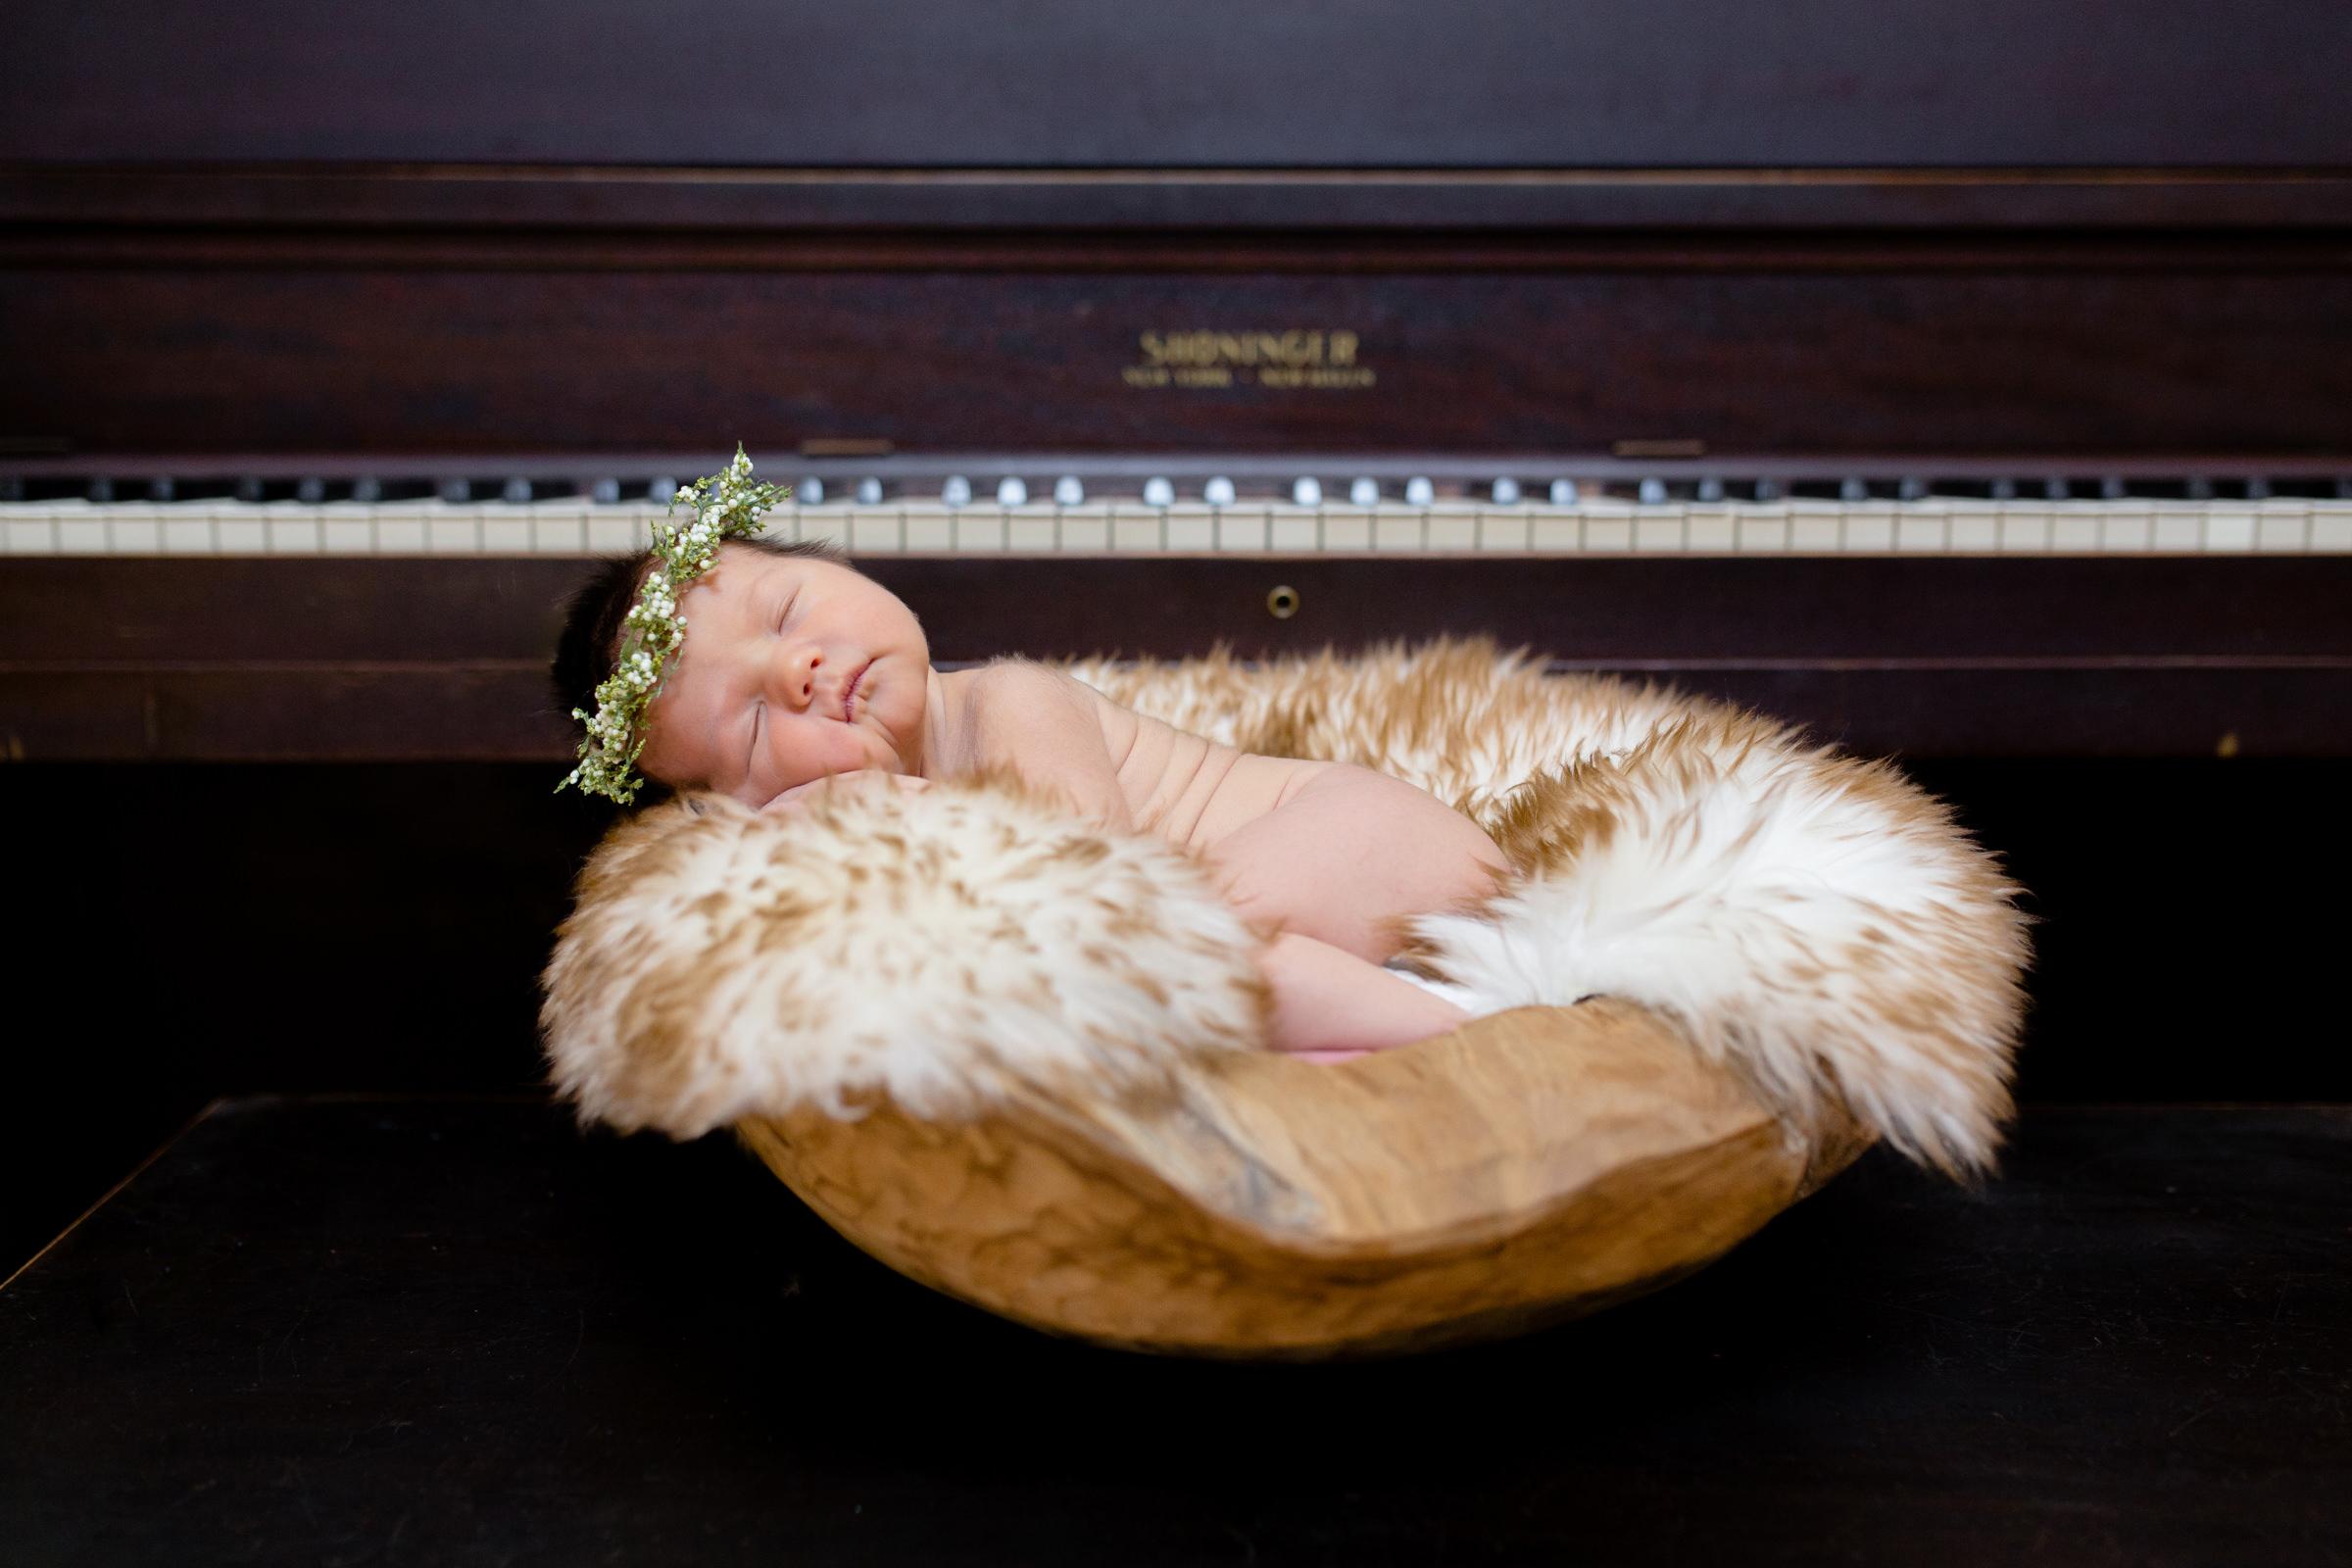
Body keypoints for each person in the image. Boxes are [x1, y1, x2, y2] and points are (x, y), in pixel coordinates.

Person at [555, 533, 1508, 1059]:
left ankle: (1482, 1044)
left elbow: (1092, 893)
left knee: (1161, 952)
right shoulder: (836, 808)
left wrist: (883, 808)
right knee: (1160, 986)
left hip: (1367, 836)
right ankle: (1359, 1052)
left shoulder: (1012, 697)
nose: (798, 669)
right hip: (1325, 905)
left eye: (788, 610)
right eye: (754, 724)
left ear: (839, 563)